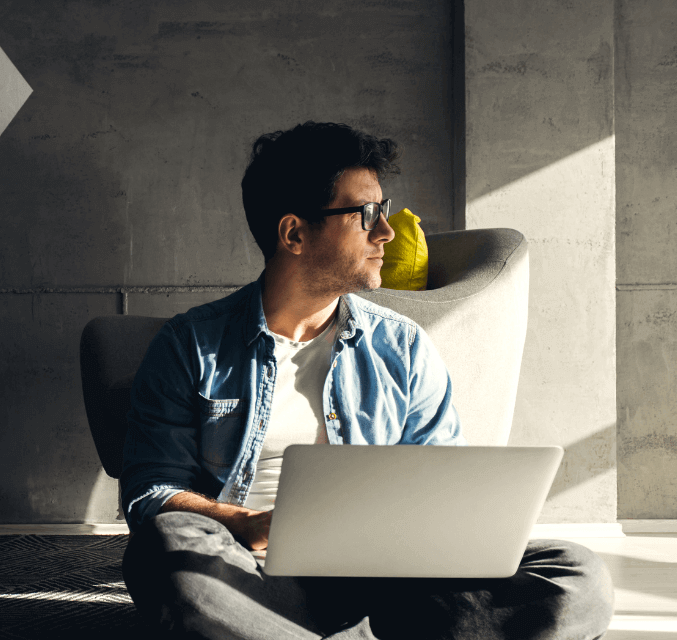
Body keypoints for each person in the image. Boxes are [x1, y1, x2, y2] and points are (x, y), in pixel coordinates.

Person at [120, 121, 615, 639]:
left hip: (387, 583)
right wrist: (243, 522)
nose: (386, 233)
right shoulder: (190, 345)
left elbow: (443, 483)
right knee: (169, 550)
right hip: (249, 573)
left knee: (575, 574)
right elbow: (151, 490)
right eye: (366, 215)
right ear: (294, 233)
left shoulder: (401, 346)